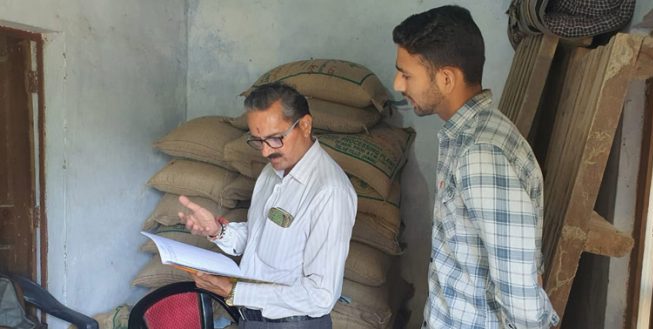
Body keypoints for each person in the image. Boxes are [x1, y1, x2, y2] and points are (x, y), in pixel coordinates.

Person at [392, 5, 559, 329]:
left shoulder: (480, 153)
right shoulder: (466, 136)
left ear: (446, 78)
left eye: (407, 74)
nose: (398, 85)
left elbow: (518, 289)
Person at [177, 82, 357, 328]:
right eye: (258, 141)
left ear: (305, 125)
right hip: (252, 320)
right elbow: (260, 240)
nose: (264, 152)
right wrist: (218, 232)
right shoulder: (271, 173)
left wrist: (234, 290)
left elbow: (320, 296)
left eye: (275, 139)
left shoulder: (329, 192)